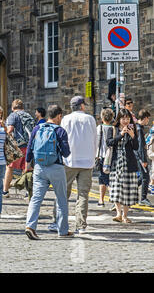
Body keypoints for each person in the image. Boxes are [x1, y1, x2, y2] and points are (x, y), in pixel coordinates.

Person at [24, 105, 74, 240]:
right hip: (56, 167)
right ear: (58, 116)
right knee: (61, 199)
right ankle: (63, 230)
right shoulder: (60, 131)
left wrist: (27, 164)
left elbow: (30, 148)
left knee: (36, 198)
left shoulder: (37, 128)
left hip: (39, 167)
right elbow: (66, 153)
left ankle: (30, 226)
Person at [56, 96, 97, 234]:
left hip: (69, 160)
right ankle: (80, 225)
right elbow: (94, 139)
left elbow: (61, 139)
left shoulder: (66, 119)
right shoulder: (90, 119)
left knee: (63, 193)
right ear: (82, 106)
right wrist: (94, 156)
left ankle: (59, 222)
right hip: (87, 161)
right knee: (83, 194)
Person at [106, 109, 139, 224]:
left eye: (128, 118)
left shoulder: (132, 129)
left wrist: (133, 136)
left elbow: (136, 147)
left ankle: (125, 215)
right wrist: (121, 135)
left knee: (129, 191)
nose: (125, 121)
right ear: (119, 119)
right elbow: (109, 142)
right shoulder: (113, 129)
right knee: (116, 189)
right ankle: (118, 214)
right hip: (116, 163)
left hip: (129, 164)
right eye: (123, 118)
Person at [3, 99, 35, 198]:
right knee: (27, 168)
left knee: (9, 168)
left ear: (13, 108)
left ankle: (5, 191)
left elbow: (10, 129)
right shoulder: (29, 116)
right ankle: (28, 192)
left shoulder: (13, 115)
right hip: (29, 145)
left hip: (17, 146)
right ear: (22, 107)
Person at [96, 108, 115, 207]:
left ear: (102, 117)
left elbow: (95, 143)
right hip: (111, 157)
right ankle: (101, 200)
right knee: (102, 178)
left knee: (106, 179)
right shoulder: (113, 128)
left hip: (102, 157)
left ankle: (115, 200)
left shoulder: (99, 128)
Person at [136, 109, 151, 206]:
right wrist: (144, 160)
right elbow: (141, 146)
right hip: (140, 157)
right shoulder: (139, 129)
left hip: (137, 156)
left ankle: (129, 189)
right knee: (146, 177)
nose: (148, 121)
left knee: (142, 177)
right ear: (145, 118)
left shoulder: (137, 128)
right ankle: (143, 198)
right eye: (148, 119)